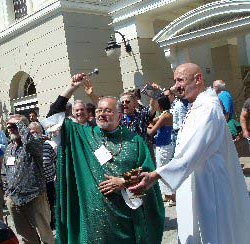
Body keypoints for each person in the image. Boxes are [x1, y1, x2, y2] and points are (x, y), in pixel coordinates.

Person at [129, 63, 250, 244]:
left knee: (212, 233)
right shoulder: (197, 105)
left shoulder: (208, 108)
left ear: (198, 79)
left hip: (209, 185)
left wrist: (156, 175)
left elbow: (193, 150)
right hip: (196, 178)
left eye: (181, 80)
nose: (176, 85)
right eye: (175, 80)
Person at [43, 73, 164, 244]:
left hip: (126, 221)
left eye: (107, 111)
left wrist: (123, 181)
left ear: (120, 116)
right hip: (94, 224)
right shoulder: (82, 135)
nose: (101, 114)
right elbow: (52, 119)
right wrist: (72, 87)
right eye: (99, 110)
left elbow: (148, 172)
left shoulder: (134, 141)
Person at [3, 115, 54, 244]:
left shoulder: (34, 143)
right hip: (14, 198)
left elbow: (31, 144)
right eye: (9, 126)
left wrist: (20, 124)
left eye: (14, 126)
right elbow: (4, 171)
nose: (10, 128)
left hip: (35, 196)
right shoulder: (9, 148)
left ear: (23, 127)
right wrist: (7, 191)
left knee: (45, 234)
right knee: (25, 235)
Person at [147, 95, 175, 206]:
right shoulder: (164, 115)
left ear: (160, 105)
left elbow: (151, 131)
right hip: (161, 146)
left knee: (162, 171)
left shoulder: (166, 116)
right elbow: (152, 120)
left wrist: (148, 125)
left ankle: (172, 196)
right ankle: (167, 195)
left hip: (164, 147)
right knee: (161, 170)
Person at [29, 121, 57, 230]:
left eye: (36, 132)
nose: (34, 134)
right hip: (36, 184)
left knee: (50, 203)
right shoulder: (28, 148)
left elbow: (55, 161)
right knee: (39, 208)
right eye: (32, 132)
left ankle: (52, 223)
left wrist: (56, 176)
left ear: (41, 133)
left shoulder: (47, 146)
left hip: (49, 181)